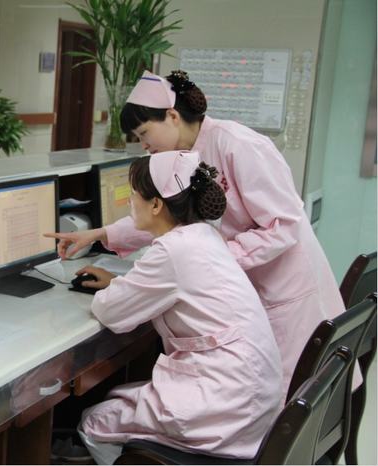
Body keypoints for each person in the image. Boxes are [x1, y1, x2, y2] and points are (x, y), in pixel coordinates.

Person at [51, 70, 344, 398]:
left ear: (172, 116)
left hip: (285, 290)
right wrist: (100, 233)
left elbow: (283, 224)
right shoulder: (182, 158)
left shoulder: (237, 144)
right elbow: (168, 216)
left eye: (145, 132)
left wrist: (211, 261)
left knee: (293, 402)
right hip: (247, 285)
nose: (144, 145)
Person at [53, 151, 282, 464]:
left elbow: (110, 311)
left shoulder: (173, 250)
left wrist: (119, 288)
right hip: (252, 392)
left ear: (156, 205)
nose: (129, 201)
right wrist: (123, 283)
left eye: (134, 194)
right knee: (118, 398)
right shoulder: (205, 235)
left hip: (226, 402)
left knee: (96, 421)